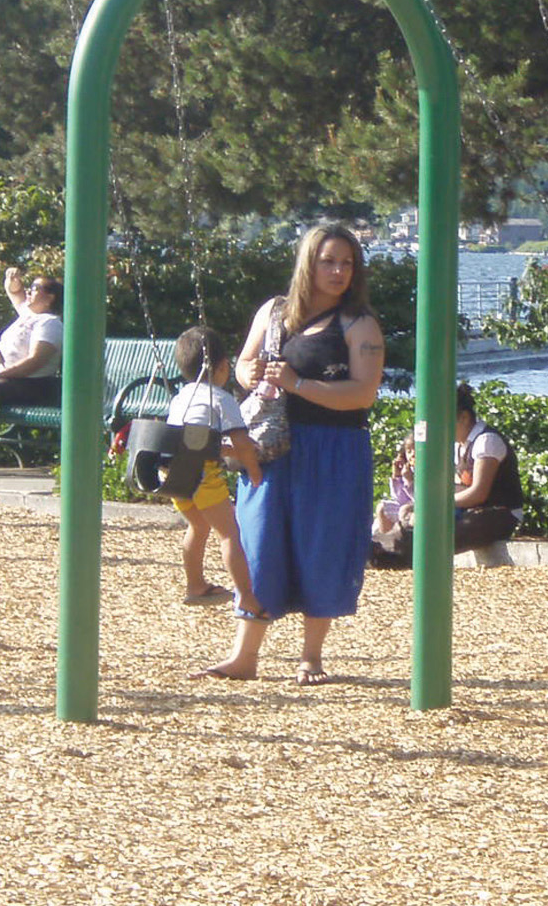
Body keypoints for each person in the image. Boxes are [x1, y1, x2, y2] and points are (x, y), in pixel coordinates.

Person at [199, 223, 384, 685]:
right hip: (271, 445)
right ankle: (244, 656)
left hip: (333, 447)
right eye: (328, 261)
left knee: (321, 547)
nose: (339, 271)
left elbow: (363, 393)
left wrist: (298, 384)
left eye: (347, 262)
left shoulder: (359, 323)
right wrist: (253, 375)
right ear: (309, 263)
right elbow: (242, 365)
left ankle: (312, 657)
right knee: (257, 543)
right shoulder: (275, 312)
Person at [163, 326, 265, 608]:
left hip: (173, 473)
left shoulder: (182, 397)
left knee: (198, 526)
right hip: (202, 475)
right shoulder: (221, 399)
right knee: (230, 532)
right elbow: (242, 441)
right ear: (222, 367)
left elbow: (197, 440)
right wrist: (254, 471)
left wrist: (228, 451)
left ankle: (195, 585)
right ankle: (246, 594)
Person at [370, 382, 525, 566]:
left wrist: (435, 505)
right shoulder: (458, 446)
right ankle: (382, 549)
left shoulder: (486, 441)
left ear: (464, 418)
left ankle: (387, 553)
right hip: (469, 510)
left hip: (500, 514)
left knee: (440, 536)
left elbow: (478, 493)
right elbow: (457, 487)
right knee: (417, 523)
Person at [0, 268, 61, 414]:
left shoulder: (50, 323)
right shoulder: (28, 314)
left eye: (35, 288)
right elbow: (15, 292)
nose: (29, 292)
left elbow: (35, 361)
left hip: (29, 384)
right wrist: (13, 280)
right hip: (3, 378)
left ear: (50, 298)